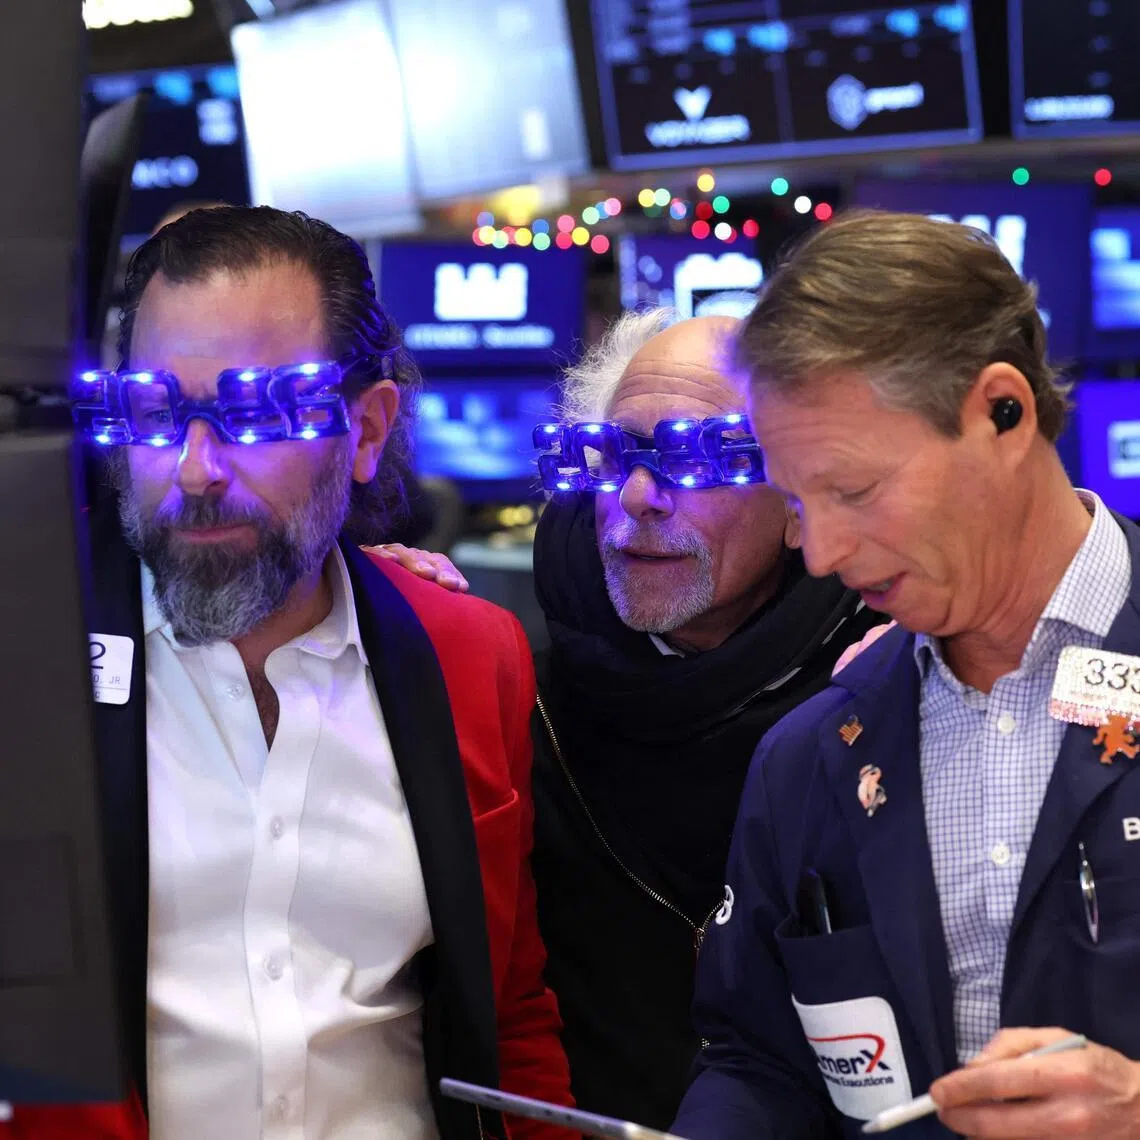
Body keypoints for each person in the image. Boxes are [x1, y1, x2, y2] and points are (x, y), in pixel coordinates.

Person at [19, 206, 576, 1140]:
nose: (195, 468)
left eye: (254, 411)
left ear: (364, 430)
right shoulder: (27, 649)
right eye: (156, 412)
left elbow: (508, 1007)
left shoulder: (468, 653)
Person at [672, 209, 1140, 1140]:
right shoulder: (809, 755)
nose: (823, 553)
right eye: (798, 503)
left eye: (853, 490)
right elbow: (758, 1061)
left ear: (1002, 412)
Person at [523, 308, 884, 1129]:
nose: (640, 497)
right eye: (616, 456)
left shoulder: (882, 688)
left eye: (695, 457)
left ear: (802, 498)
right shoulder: (520, 701)